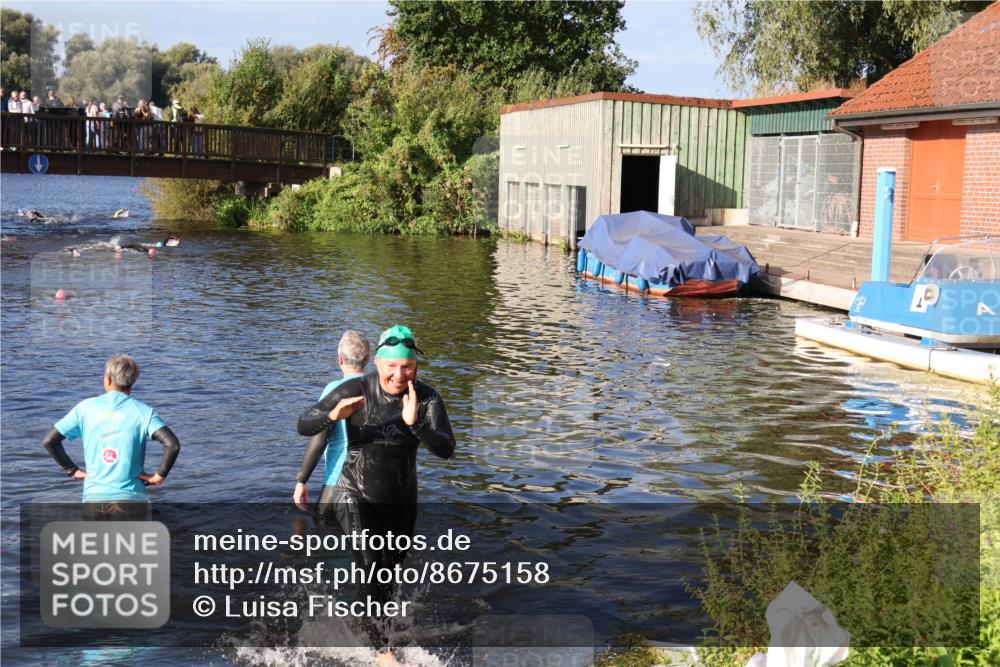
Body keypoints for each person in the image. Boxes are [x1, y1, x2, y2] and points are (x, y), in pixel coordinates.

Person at [297, 325, 456, 666]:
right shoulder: (356, 388)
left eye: (408, 367)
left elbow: (447, 449)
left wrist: (417, 425)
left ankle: (367, 628)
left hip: (400, 498)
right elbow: (304, 423)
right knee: (370, 564)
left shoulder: (426, 398)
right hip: (351, 490)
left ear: (416, 366)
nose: (399, 375)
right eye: (392, 367)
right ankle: (383, 652)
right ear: (378, 363)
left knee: (389, 573)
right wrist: (331, 415)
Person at [41, 354, 180, 520]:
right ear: (133, 381)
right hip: (132, 499)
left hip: (94, 499)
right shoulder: (144, 412)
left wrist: (72, 470)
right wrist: (158, 476)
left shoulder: (85, 408)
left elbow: (50, 441)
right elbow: (172, 445)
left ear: (107, 379)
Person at [294, 331, 371, 520]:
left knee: (324, 534)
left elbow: (319, 439)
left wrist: (301, 481)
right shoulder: (379, 388)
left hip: (339, 481)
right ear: (368, 359)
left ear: (340, 359)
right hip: (374, 482)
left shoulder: (334, 390)